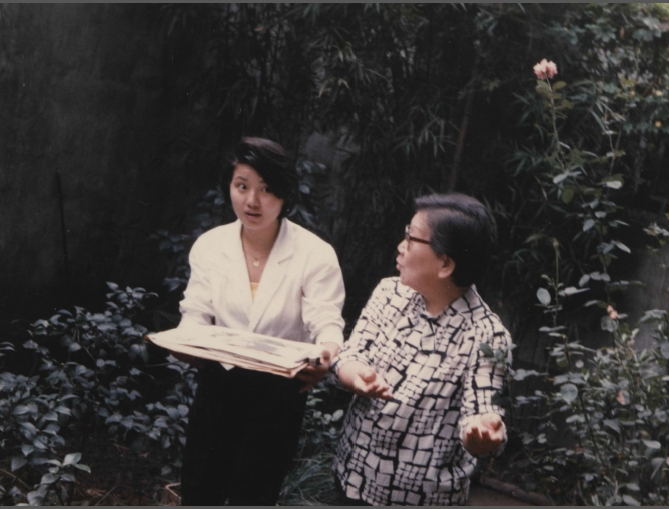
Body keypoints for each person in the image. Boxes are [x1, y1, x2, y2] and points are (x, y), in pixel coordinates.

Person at [177, 137, 345, 505]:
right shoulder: (210, 246)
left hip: (278, 394)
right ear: (229, 187)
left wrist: (327, 353)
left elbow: (326, 320)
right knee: (199, 492)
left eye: (266, 189)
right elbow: (195, 313)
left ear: (285, 194)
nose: (252, 201)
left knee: (253, 496)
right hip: (218, 384)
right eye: (242, 186)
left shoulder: (315, 254)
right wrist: (184, 343)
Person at [331, 193, 512, 506]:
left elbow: (482, 413)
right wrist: (355, 374)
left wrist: (481, 435)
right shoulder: (389, 293)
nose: (400, 247)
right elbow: (351, 353)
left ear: (445, 264)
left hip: (418, 499)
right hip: (352, 478)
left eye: (410, 238)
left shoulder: (486, 335)